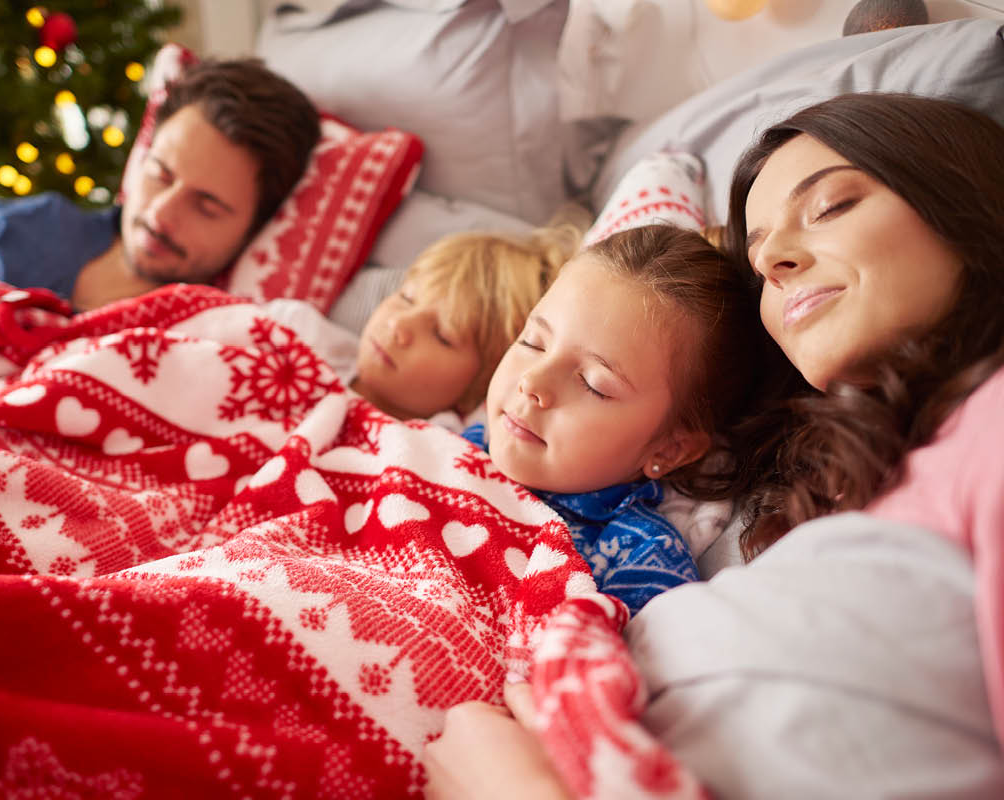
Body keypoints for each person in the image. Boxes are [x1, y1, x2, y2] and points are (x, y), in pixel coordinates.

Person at [423, 92, 1004, 799]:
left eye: (830, 207)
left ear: (967, 202)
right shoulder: (855, 486)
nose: (780, 260)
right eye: (758, 260)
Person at [0, 57, 320, 434]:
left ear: (256, 227)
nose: (161, 213)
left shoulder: (218, 339)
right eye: (160, 173)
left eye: (207, 206)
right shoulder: (37, 224)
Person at [461, 223, 756, 615]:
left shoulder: (637, 562)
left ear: (669, 449)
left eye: (593, 384)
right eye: (532, 342)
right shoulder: (448, 444)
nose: (532, 382)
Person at [266, 222, 583, 429]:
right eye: (405, 297)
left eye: (442, 335)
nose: (399, 324)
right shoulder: (297, 336)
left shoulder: (442, 443)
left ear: (483, 384)